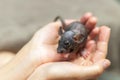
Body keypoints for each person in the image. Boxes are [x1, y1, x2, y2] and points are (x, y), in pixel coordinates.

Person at [0, 13, 111, 80]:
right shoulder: (67, 36)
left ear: (78, 40)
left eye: (65, 44)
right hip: (70, 31)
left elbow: (80, 43)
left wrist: (81, 51)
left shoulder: (79, 40)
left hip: (76, 34)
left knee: (6, 57)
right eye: (60, 43)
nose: (60, 50)